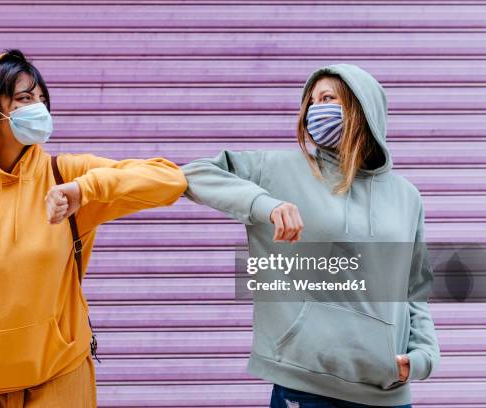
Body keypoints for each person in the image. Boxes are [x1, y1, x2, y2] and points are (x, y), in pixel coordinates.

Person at [0, 49, 187, 407]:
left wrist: (84, 190)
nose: (38, 108)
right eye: (25, 98)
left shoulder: (65, 177)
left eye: (42, 98)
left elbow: (169, 180)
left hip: (59, 378)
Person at [182, 64, 440, 407]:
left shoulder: (407, 197)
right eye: (311, 102)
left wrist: (422, 357)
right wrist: (265, 205)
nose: (316, 110)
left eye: (328, 98)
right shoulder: (278, 171)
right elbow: (194, 174)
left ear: (360, 107)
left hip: (386, 391)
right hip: (305, 385)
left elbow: (414, 289)